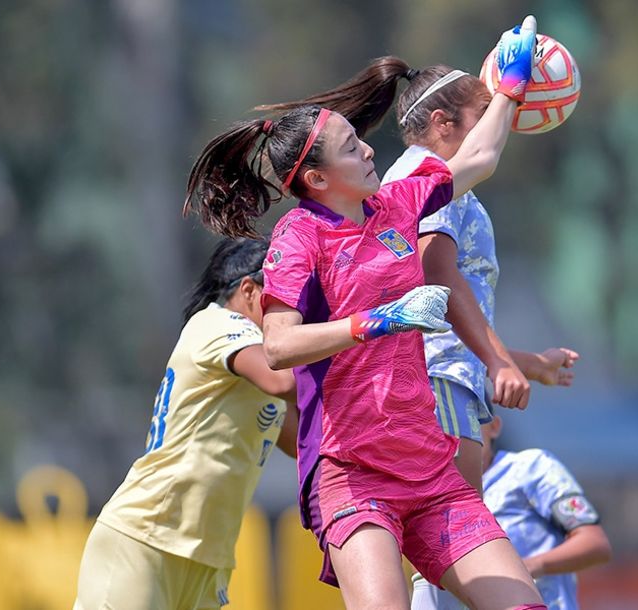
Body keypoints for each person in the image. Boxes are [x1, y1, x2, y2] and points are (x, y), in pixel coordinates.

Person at [182, 15, 549, 610]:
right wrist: (380, 319)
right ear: (318, 178)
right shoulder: (298, 239)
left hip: (430, 471)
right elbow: (278, 347)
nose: (371, 148)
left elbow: (478, 156)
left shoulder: (396, 204)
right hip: (354, 476)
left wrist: (508, 88)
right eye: (353, 148)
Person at [74, 237, 299, 610]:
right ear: (248, 290)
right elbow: (287, 381)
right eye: (285, 294)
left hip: (208, 562)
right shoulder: (216, 324)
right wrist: (350, 335)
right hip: (144, 541)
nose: (294, 309)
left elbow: (301, 443)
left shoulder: (259, 364)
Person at [412, 415, 612, 610]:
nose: (459, 433)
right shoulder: (429, 495)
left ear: (495, 426)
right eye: (443, 424)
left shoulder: (531, 468)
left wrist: (529, 567)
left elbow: (595, 543)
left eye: (472, 420)